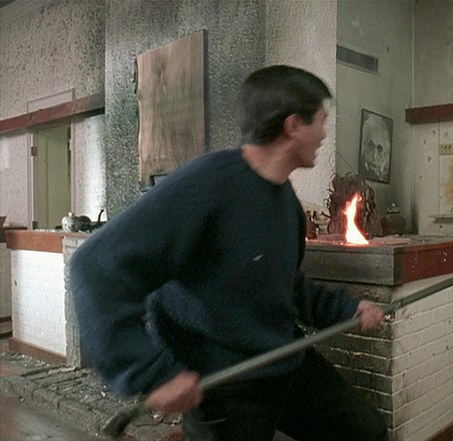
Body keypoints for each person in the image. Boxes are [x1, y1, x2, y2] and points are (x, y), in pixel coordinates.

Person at [70, 65, 388, 441]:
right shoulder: (207, 185)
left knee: (365, 431)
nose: (323, 133)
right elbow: (95, 266)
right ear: (293, 125)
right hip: (223, 386)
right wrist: (151, 373)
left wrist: (347, 310)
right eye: (321, 120)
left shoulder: (285, 200)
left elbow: (285, 284)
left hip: (283, 362)